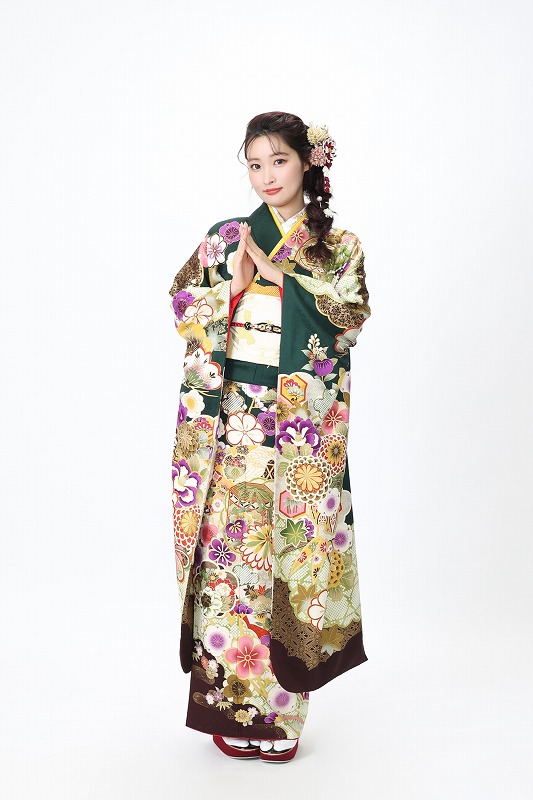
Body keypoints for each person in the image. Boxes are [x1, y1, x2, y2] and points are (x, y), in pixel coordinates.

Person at [168, 111, 371, 762]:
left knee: (287, 562)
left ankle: (280, 721)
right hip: (231, 422)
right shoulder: (226, 238)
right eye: (254, 164)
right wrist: (229, 290)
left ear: (307, 162)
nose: (265, 177)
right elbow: (182, 304)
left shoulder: (339, 246)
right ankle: (230, 704)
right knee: (231, 563)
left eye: (278, 161)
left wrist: (286, 282)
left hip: (295, 432)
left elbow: (348, 322)